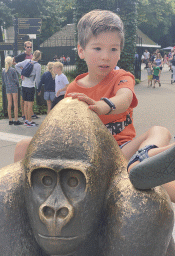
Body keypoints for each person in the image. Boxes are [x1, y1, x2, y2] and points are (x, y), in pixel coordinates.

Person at [14, 10, 175, 203]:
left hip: (123, 152)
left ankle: (145, 160)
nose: (106, 56)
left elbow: (124, 98)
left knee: (160, 131)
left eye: (113, 49)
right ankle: (23, 200)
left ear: (120, 52)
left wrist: (103, 106)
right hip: (90, 156)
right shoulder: (74, 89)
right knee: (23, 146)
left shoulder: (122, 77)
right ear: (81, 50)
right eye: (98, 48)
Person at [13, 41, 39, 120]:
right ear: (25, 47)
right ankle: (23, 114)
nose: (29, 48)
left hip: (31, 79)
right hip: (24, 78)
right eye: (28, 47)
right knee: (23, 98)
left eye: (30, 47)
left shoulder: (32, 55)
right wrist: (22, 71)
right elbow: (13, 61)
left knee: (30, 98)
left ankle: (31, 113)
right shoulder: (21, 55)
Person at [15, 50, 41, 127]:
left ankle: (26, 120)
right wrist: (38, 89)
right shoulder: (37, 65)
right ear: (39, 57)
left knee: (25, 104)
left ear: (33, 55)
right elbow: (38, 79)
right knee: (30, 104)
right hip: (30, 86)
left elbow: (16, 66)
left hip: (23, 85)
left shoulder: (26, 61)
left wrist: (22, 73)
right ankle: (30, 121)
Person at [2, 56, 23, 125]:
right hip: (14, 88)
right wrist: (18, 85)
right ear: (11, 62)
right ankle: (16, 120)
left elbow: (3, 81)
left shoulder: (3, 70)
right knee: (15, 104)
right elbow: (16, 80)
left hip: (8, 88)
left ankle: (10, 120)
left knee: (9, 104)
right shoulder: (13, 70)